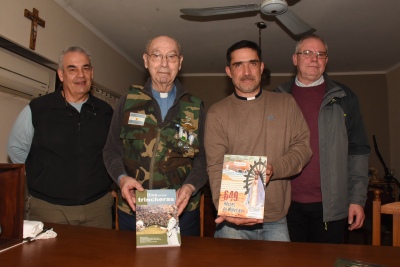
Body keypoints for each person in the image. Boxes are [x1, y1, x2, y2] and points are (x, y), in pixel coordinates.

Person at [205, 40, 312, 241]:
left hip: (276, 219)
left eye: (252, 63)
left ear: (261, 67)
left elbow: (303, 147)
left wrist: (275, 168)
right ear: (229, 71)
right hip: (232, 222)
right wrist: (225, 208)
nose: (246, 71)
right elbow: (215, 165)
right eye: (238, 65)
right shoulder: (217, 113)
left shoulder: (286, 103)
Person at [103, 35, 208, 235]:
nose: (164, 64)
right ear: (145, 60)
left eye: (171, 56)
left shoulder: (194, 107)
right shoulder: (128, 102)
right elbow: (111, 150)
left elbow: (203, 158)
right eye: (157, 56)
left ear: (180, 62)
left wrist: (190, 187)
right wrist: (121, 178)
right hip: (133, 209)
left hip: (181, 212)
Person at [274, 34, 370, 243]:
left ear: (326, 60)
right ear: (295, 59)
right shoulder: (277, 97)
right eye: (307, 53)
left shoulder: (345, 97)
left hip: (331, 208)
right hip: (285, 206)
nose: (314, 59)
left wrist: (357, 199)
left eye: (320, 54)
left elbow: (358, 151)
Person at [7, 46, 114, 228]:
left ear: (92, 73)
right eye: (72, 69)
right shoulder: (38, 109)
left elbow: (112, 153)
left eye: (85, 68)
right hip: (49, 209)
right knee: (48, 258)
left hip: (98, 208)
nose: (80, 75)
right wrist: (40, 175)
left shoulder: (105, 112)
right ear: (61, 75)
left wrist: (111, 185)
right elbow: (15, 148)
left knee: (98, 257)